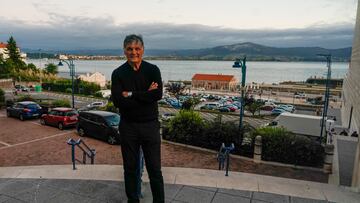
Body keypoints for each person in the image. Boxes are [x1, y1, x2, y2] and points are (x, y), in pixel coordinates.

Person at [111, 34, 164, 203]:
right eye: (130, 49)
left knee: (155, 169)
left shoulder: (153, 70)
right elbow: (119, 101)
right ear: (124, 51)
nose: (134, 52)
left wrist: (132, 95)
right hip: (129, 127)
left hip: (150, 126)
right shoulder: (118, 73)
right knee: (130, 168)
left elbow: (157, 94)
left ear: (143, 50)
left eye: (137, 49)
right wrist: (146, 95)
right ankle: (132, 201)